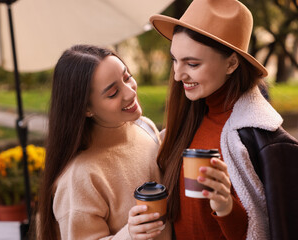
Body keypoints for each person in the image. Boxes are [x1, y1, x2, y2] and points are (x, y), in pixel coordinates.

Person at [129, 0, 298, 239]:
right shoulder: (185, 123)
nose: (178, 75)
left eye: (192, 63)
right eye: (174, 60)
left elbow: (270, 230)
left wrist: (225, 207)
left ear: (231, 63)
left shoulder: (265, 143)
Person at [37, 44, 171, 240]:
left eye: (127, 77)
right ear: (86, 109)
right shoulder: (79, 179)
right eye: (113, 93)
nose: (130, 93)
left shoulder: (144, 127)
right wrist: (129, 235)